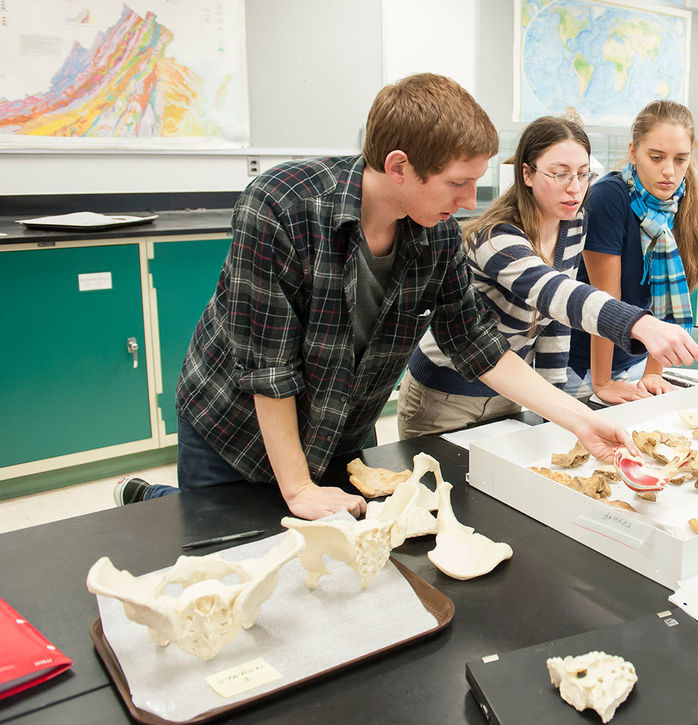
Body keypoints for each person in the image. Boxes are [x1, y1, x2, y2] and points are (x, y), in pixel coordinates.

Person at [120, 74, 637, 519]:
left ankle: (159, 495)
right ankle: (152, 496)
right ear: (398, 167)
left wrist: (581, 420)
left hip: (338, 428)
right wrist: (298, 489)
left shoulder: (434, 233)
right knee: (229, 545)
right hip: (237, 431)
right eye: (457, 183)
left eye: (476, 182)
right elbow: (269, 367)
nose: (468, 202)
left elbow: (476, 344)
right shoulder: (282, 204)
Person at [398, 114, 698, 437]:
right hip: (444, 400)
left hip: (510, 393)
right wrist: (640, 324)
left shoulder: (573, 224)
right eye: (559, 174)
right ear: (527, 173)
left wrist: (556, 419)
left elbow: (557, 321)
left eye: (583, 174)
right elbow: (556, 293)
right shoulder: (496, 237)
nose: (574, 189)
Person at [566, 100, 698, 403]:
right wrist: (603, 382)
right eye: (656, 157)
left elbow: (667, 303)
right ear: (633, 152)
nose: (669, 171)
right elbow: (604, 301)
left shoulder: (686, 203)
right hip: (583, 367)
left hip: (634, 361)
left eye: (681, 159)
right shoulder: (609, 197)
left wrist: (654, 372)